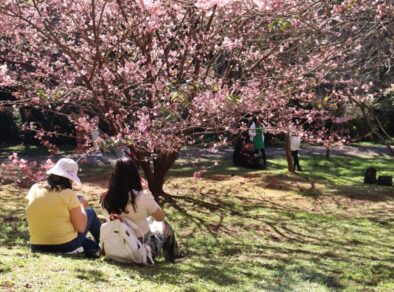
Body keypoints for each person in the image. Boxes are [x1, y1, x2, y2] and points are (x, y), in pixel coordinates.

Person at [101, 158, 182, 262]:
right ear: (135, 175)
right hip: (139, 251)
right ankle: (174, 256)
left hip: (115, 249)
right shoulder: (142, 196)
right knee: (164, 225)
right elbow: (160, 217)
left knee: (149, 220)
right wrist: (147, 191)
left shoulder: (105, 198)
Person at [26, 158, 101, 257]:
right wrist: (81, 205)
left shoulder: (34, 188)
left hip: (36, 245)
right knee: (90, 212)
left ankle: (96, 248)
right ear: (70, 179)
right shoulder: (68, 193)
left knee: (90, 245)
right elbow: (81, 228)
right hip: (63, 245)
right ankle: (105, 245)